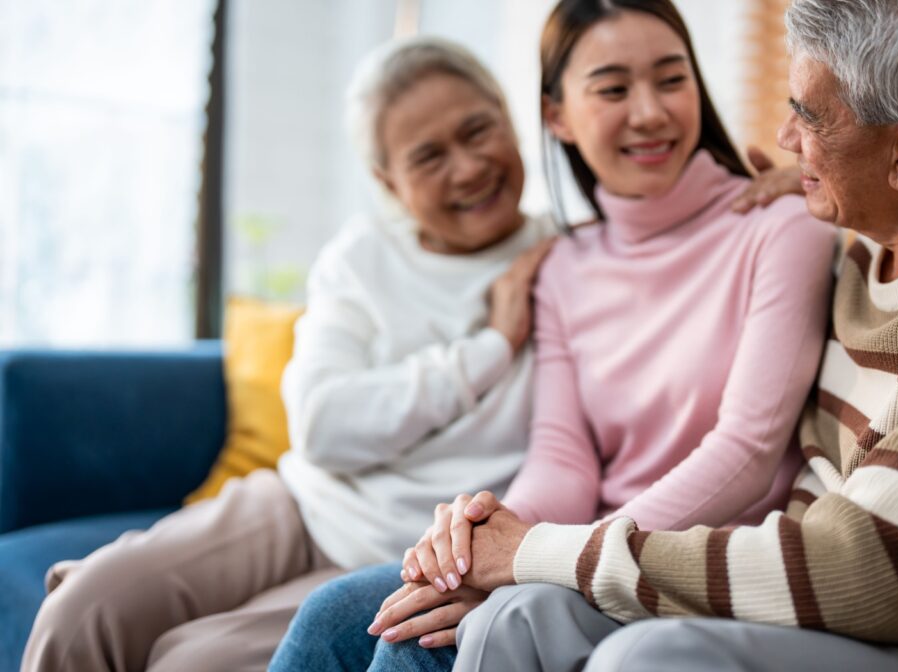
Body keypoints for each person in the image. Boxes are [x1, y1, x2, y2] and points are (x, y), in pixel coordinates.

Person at [436, 0, 898, 670]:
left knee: (647, 660)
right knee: (513, 621)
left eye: (808, 115)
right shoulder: (874, 249)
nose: (782, 138)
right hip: (825, 601)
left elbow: (869, 569)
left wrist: (543, 551)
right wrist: (490, 538)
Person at [269, 1, 835, 669]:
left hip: (689, 557)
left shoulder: (782, 225)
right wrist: (486, 534)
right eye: (613, 89)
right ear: (556, 116)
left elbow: (748, 451)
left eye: (670, 78)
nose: (650, 112)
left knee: (413, 649)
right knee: (335, 616)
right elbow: (565, 457)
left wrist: (544, 557)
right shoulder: (565, 264)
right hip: (577, 545)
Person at [19, 37, 557, 672]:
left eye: (478, 131)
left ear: (509, 119)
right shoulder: (360, 261)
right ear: (389, 181)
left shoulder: (562, 260)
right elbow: (323, 427)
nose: (468, 168)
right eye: (429, 156)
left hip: (400, 553)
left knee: (187, 663)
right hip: (296, 507)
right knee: (81, 609)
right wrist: (491, 348)